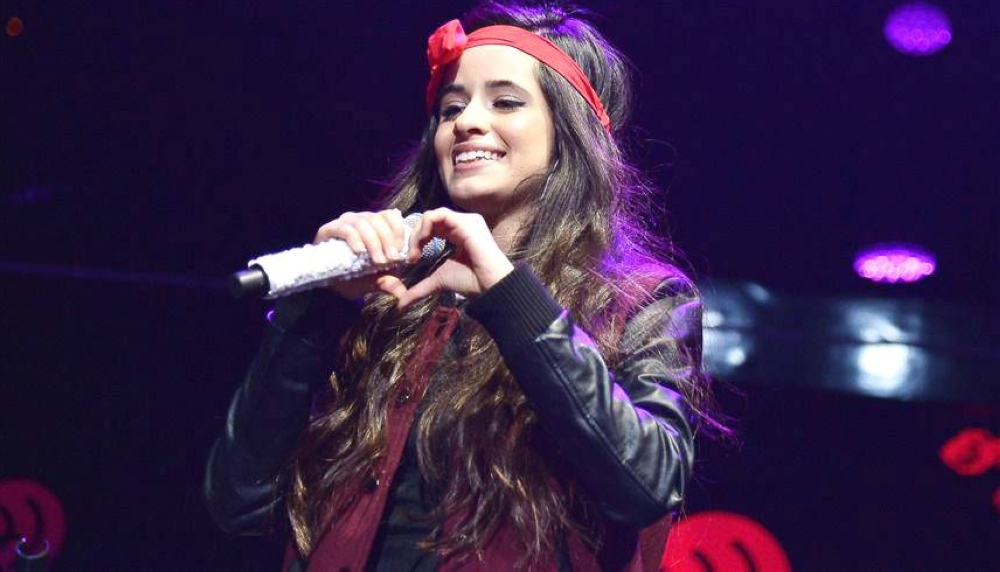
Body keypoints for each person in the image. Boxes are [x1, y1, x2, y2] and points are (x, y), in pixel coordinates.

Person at [205, 1, 724, 570]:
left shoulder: (641, 300)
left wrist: (509, 296)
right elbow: (239, 501)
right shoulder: (384, 291)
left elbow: (646, 485)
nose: (467, 122)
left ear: (568, 133)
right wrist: (316, 309)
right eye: (451, 108)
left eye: (505, 101)